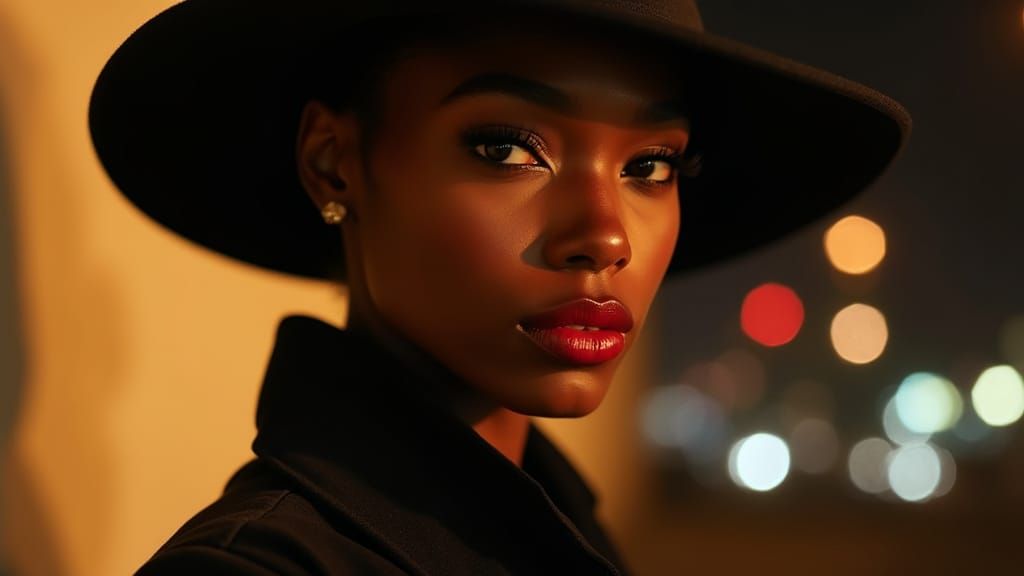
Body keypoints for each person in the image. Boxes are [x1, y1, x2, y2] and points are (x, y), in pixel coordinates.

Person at [88, 1, 910, 574]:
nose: (606, 234)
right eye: (510, 149)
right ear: (333, 162)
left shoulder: (557, 527)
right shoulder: (262, 569)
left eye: (649, 165)